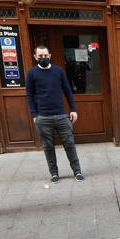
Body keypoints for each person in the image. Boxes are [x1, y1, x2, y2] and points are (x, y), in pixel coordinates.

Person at [26, 45, 84, 184]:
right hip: (43, 117)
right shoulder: (32, 73)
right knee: (48, 147)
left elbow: (67, 90)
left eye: (45, 55)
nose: (43, 58)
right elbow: (29, 95)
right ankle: (54, 173)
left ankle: (77, 171)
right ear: (35, 57)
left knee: (69, 144)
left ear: (50, 55)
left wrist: (73, 109)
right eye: (40, 56)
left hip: (61, 115)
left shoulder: (58, 71)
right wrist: (34, 115)